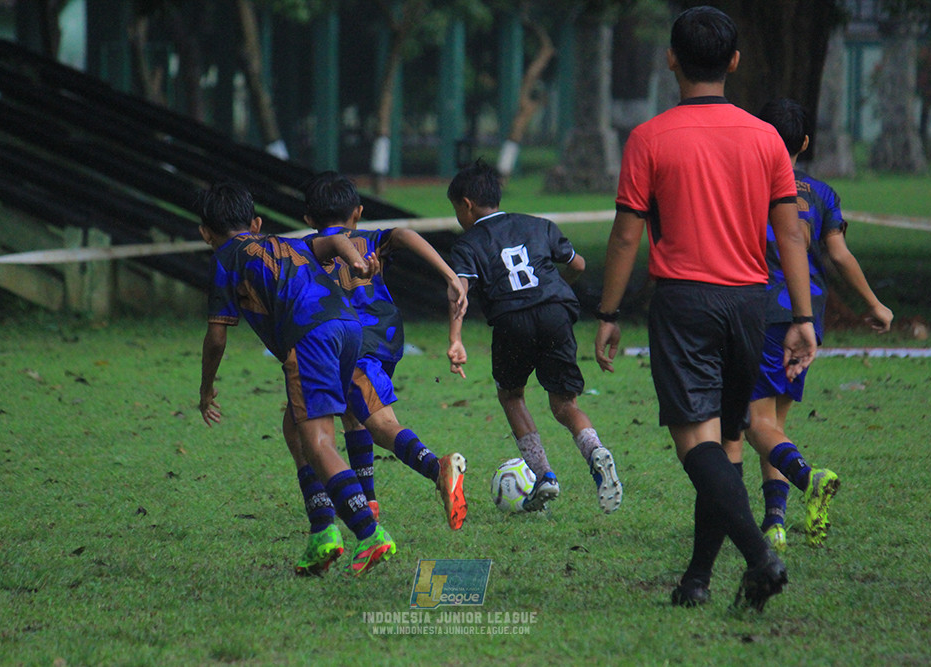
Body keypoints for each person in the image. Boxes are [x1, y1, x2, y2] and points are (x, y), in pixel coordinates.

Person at [593, 6, 818, 610]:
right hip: (751, 305)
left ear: (672, 58)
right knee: (725, 442)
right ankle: (695, 582)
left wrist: (608, 312)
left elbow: (624, 237)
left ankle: (758, 554)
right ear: (735, 62)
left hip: (685, 302)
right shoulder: (766, 139)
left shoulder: (649, 138)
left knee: (697, 444)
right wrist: (802, 317)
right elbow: (791, 235)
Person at [195, 181, 395, 577]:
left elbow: (217, 335)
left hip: (310, 337)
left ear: (205, 233)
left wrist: (206, 387)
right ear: (256, 222)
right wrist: (356, 259)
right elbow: (330, 241)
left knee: (317, 441)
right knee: (295, 426)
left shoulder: (224, 259)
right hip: (348, 329)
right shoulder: (285, 243)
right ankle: (322, 531)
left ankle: (368, 532)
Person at [284, 172, 469, 577]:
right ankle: (367, 502)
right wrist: (450, 275)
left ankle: (437, 468)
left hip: (350, 339)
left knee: (373, 420)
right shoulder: (370, 238)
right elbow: (403, 233)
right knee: (352, 411)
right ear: (358, 212)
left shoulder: (307, 247)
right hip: (386, 334)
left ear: (308, 216)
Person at [733, 98, 893, 552]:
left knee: (753, 422)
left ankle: (809, 478)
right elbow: (839, 255)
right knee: (774, 423)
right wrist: (875, 305)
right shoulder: (821, 194)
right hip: (808, 314)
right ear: (804, 143)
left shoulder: (747, 186)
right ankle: (775, 523)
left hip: (763, 312)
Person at [446, 159, 623, 514]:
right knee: (565, 404)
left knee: (511, 396)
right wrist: (558, 288)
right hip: (556, 313)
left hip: (512, 320)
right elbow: (578, 265)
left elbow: (458, 290)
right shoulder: (538, 225)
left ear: (466, 204)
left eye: (456, 210)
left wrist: (456, 338)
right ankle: (596, 451)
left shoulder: (468, 243)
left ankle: (544, 476)